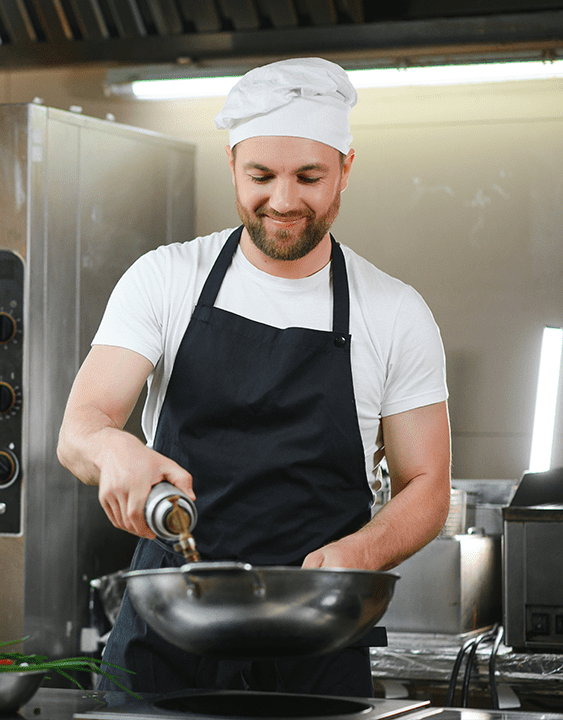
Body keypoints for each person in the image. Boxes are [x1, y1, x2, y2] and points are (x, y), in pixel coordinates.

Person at [57, 57, 452, 697]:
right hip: (168, 625)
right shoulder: (166, 278)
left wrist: (361, 554)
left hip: (319, 631)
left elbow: (428, 484)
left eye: (310, 176)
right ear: (232, 163)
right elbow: (81, 427)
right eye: (261, 175)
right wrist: (114, 450)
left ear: (347, 167)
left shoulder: (395, 311)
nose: (284, 201)